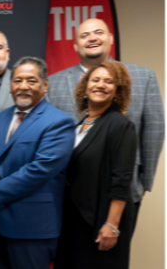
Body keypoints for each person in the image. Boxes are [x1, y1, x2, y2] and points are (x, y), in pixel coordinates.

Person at [48, 18, 166, 230]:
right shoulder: (52, 82)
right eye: (84, 35)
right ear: (75, 46)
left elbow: (154, 130)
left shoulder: (143, 76)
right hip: (68, 191)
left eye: (98, 32)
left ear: (111, 39)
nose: (92, 38)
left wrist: (143, 184)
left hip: (122, 189)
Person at [0, 56, 75, 269]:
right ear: (10, 86)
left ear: (45, 85)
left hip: (31, 228)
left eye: (31, 81)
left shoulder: (59, 122)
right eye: (17, 81)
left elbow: (40, 170)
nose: (23, 86)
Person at [54, 61, 137, 268]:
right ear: (85, 86)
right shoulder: (80, 125)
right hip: (74, 220)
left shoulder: (120, 125)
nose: (100, 85)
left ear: (117, 91)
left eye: (109, 82)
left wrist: (112, 225)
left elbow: (122, 180)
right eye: (96, 80)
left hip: (99, 223)